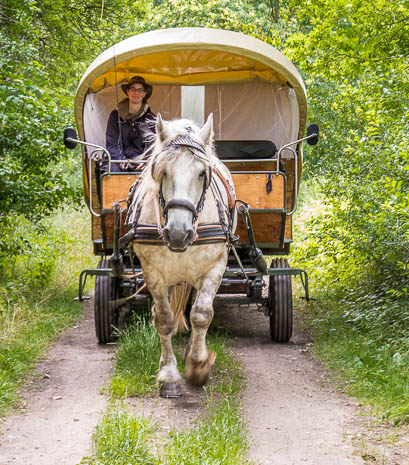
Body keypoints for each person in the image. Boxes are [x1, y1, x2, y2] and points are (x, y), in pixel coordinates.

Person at [104, 76, 156, 173]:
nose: (136, 93)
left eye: (140, 90)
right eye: (133, 89)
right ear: (127, 91)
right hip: (120, 160)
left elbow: (156, 144)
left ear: (144, 94)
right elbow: (112, 144)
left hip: (143, 162)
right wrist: (122, 161)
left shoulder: (151, 118)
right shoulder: (115, 115)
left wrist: (147, 161)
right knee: (112, 169)